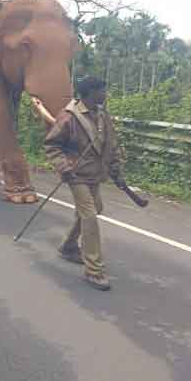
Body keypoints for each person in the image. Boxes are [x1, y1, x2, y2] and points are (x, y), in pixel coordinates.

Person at [43, 76, 124, 291]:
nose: (105, 94)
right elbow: (52, 145)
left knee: (93, 209)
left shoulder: (102, 115)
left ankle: (69, 246)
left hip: (95, 174)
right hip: (76, 174)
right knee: (89, 216)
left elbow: (111, 144)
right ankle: (94, 270)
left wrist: (115, 166)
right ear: (89, 93)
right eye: (101, 91)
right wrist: (63, 166)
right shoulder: (69, 116)